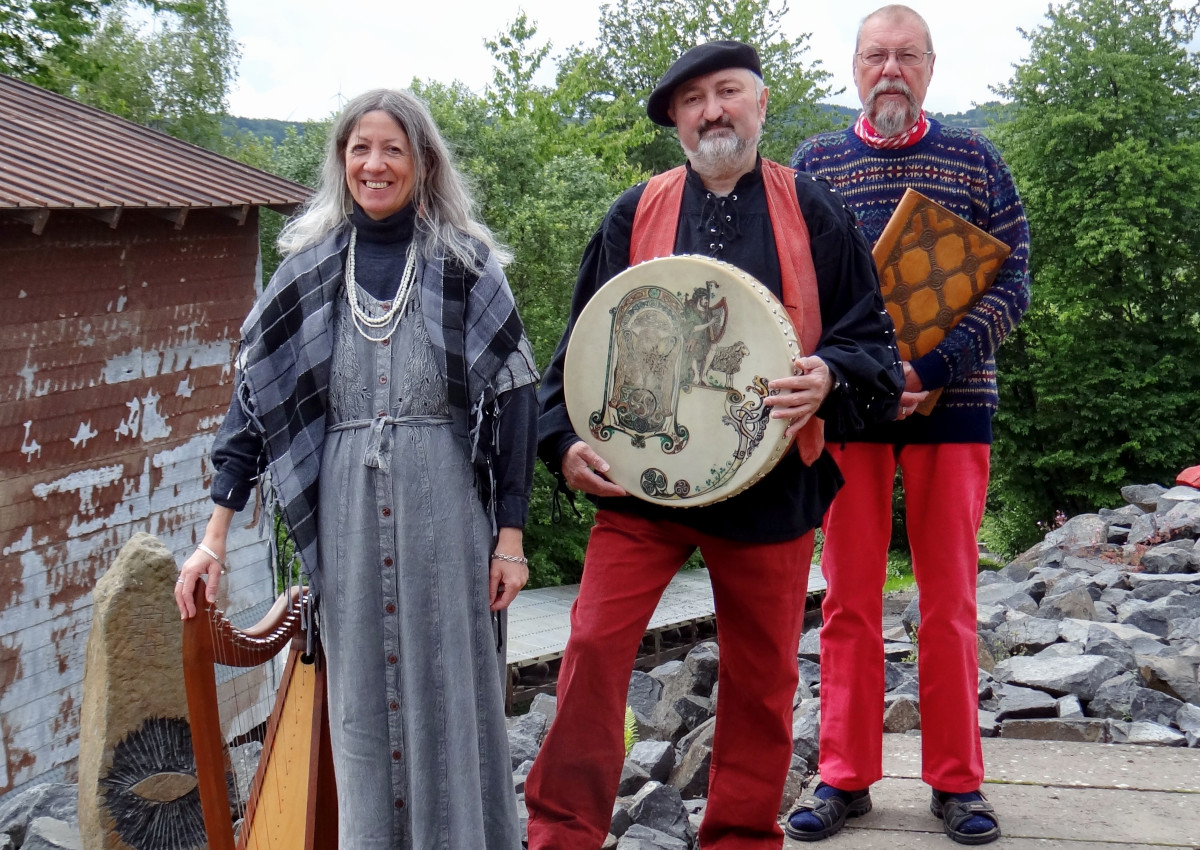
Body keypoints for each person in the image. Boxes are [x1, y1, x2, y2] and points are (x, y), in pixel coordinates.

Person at [525, 41, 904, 850]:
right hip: (642, 487)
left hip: (768, 487)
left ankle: (740, 837)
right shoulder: (633, 215)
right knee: (590, 650)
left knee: (762, 682)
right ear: (677, 125)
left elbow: (873, 344)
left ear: (762, 104)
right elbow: (576, 359)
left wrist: (829, 377)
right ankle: (560, 835)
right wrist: (561, 445)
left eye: (728, 92)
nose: (712, 111)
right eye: (692, 101)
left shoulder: (814, 209)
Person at [174, 89, 539, 849]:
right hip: (343, 520)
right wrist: (213, 538)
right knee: (362, 710)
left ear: (423, 162)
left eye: (392, 149)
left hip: (447, 508)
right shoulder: (306, 272)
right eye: (359, 150)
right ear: (342, 164)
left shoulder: (468, 266)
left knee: (454, 696)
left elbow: (516, 407)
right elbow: (252, 407)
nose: (375, 165)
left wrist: (510, 540)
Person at [788, 5, 1030, 845]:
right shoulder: (812, 164)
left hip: (954, 409)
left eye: (907, 55)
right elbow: (796, 289)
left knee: (951, 604)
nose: (890, 68)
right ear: (854, 67)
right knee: (848, 601)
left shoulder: (977, 158)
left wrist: (933, 371)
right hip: (849, 412)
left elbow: (1014, 282)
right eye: (875, 55)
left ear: (930, 66)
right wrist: (854, 375)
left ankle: (958, 782)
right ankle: (843, 776)